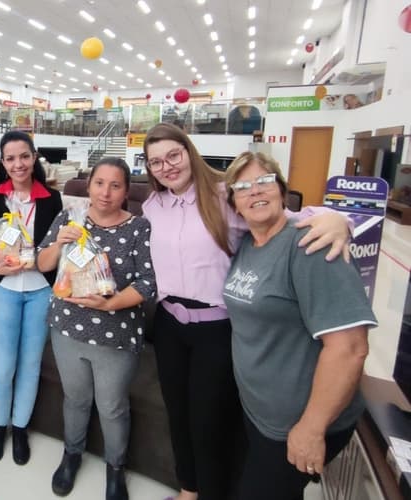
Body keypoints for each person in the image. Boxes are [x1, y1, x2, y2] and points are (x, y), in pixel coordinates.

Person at [141, 122, 352, 500]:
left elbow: (283, 215)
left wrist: (340, 220)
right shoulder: (153, 205)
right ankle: (189, 489)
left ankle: (211, 492)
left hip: (216, 328)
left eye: (173, 155)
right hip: (170, 323)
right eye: (156, 162)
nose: (167, 166)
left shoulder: (225, 194)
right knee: (177, 414)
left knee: (208, 422)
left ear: (189, 152)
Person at [222, 152, 376, 500]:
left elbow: (350, 348)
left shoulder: (311, 245)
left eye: (264, 181)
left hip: (298, 423)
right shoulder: (248, 244)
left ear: (281, 189)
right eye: (243, 187)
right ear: (234, 204)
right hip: (259, 414)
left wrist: (312, 428)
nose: (255, 191)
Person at [36, 157, 157, 500]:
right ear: (88, 186)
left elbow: (149, 283)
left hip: (115, 334)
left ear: (126, 192)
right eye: (99, 183)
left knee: (112, 405)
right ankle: (72, 454)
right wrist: (58, 242)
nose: (105, 193)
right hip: (66, 328)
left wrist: (110, 303)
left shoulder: (139, 228)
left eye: (115, 185)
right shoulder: (69, 218)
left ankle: (115, 467)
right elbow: (43, 263)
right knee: (75, 399)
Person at [0, 131, 63, 465]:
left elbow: (54, 250)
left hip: (40, 291)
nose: (18, 164)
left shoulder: (52, 198)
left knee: (29, 365)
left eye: (24, 156)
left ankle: (20, 427)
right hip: (4, 291)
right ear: (2, 162)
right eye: (10, 158)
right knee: (2, 366)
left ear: (34, 157)